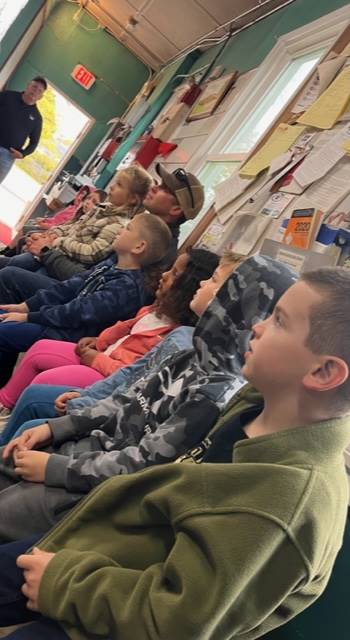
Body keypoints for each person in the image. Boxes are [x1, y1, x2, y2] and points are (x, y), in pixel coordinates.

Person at [0, 266, 349, 640]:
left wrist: (64, 583)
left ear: (324, 372)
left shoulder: (285, 501)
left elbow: (177, 621)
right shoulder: (253, 409)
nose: (259, 327)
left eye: (279, 321)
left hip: (113, 604)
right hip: (101, 549)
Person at [0, 255, 293, 542]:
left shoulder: (213, 394)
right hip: (82, 454)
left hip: (94, 488)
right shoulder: (191, 355)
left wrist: (54, 468)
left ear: (235, 304)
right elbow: (125, 401)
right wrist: (55, 427)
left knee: (8, 511)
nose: (203, 282)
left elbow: (143, 465)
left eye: (215, 280)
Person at [0, 249, 219, 427]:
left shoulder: (174, 337)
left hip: (104, 373)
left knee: (41, 387)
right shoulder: (155, 310)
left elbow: (134, 375)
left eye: (174, 274)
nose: (164, 275)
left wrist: (96, 359)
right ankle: (6, 403)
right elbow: (122, 330)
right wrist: (98, 340)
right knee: (40, 349)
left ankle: (15, 417)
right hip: (102, 355)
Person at [0, 213, 171, 386]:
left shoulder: (126, 288)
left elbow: (76, 313)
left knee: (4, 331)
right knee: (5, 315)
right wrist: (26, 307)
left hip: (67, 335)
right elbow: (70, 286)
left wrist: (29, 317)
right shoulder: (111, 264)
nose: (120, 229)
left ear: (139, 246)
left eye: (128, 228)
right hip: (57, 323)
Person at [0, 164, 152, 280]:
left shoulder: (119, 224)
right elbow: (74, 225)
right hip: (54, 251)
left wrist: (56, 242)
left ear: (133, 198)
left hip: (63, 264)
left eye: (119, 185)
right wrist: (50, 235)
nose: (112, 186)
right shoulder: (102, 207)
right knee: (14, 259)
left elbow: (92, 253)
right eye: (115, 182)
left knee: (10, 272)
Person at [144, 162, 205, 264]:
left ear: (176, 209)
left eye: (164, 189)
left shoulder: (160, 250)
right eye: (160, 184)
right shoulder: (145, 227)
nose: (154, 188)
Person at [0, 77, 47, 183]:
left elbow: (34, 143)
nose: (35, 91)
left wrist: (23, 154)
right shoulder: (8, 95)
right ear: (28, 86)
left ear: (41, 97)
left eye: (39, 91)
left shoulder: (37, 118)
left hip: (7, 156)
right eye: (34, 87)